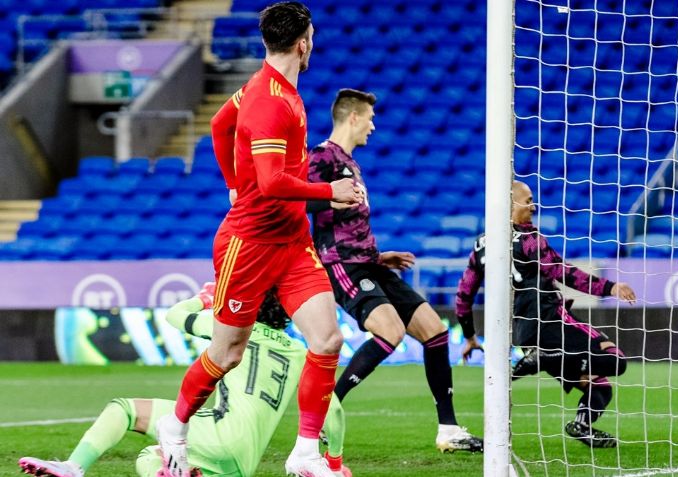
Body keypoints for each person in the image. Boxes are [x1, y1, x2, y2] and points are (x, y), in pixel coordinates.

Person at [157, 4, 364, 477]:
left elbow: (218, 126)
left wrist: (232, 180)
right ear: (303, 44)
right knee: (226, 353)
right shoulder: (270, 101)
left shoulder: (267, 86)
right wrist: (328, 192)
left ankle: (306, 454)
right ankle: (175, 427)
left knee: (327, 339)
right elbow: (271, 183)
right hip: (247, 246)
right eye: (312, 36)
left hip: (291, 241)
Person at [307, 88, 483, 454]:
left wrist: (380, 255)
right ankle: (326, 409)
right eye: (370, 118)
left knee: (435, 332)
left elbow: (349, 223)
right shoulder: (323, 157)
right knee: (390, 331)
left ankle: (448, 430)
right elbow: (296, 198)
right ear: (353, 117)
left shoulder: (351, 163)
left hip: (370, 263)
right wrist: (326, 193)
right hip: (344, 267)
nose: (373, 126)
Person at [18, 284, 351, 477]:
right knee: (151, 456)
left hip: (218, 430)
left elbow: (174, 315)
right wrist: (334, 463)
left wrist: (205, 297)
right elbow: (331, 410)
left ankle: (74, 467)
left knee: (124, 409)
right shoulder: (298, 351)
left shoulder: (233, 329)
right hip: (244, 462)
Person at [454, 181, 638, 448]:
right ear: (508, 204)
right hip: (550, 321)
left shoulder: (481, 245)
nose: (533, 206)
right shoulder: (529, 240)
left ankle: (582, 425)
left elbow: (463, 296)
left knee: (599, 385)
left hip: (525, 334)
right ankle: (545, 358)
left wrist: (470, 337)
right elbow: (563, 272)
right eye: (527, 200)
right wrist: (610, 287)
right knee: (615, 359)